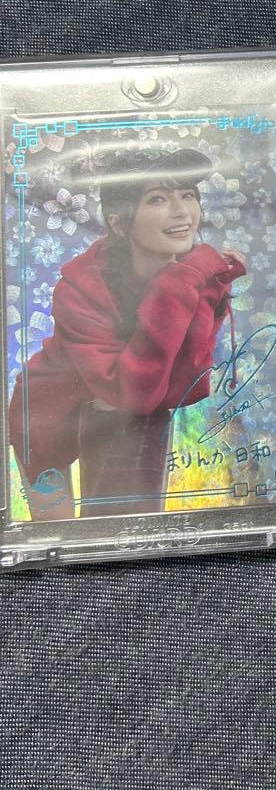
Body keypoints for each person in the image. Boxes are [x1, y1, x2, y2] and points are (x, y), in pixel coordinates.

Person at [9, 147, 246, 520]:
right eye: (157, 199)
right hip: (46, 419)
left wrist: (184, 281)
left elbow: (188, 382)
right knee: (57, 535)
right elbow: (135, 390)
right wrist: (183, 280)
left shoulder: (195, 277)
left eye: (188, 195)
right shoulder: (80, 289)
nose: (182, 212)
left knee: (123, 525)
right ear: (120, 224)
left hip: (124, 419)